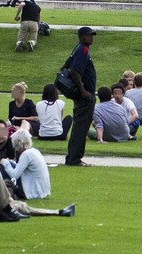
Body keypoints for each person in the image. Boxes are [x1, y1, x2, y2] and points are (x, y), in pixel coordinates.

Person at [64, 26, 97, 167]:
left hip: (82, 94)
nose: (91, 38)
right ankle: (75, 159)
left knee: (79, 126)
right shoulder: (82, 50)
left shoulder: (77, 49)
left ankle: (72, 157)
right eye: (89, 35)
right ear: (82, 37)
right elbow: (75, 72)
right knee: (81, 128)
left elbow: (66, 66)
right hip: (85, 95)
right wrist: (83, 91)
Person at [0, 125, 51, 199]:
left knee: (4, 166)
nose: (16, 149)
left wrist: (5, 163)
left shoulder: (26, 154)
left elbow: (15, 175)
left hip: (32, 191)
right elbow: (19, 167)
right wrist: (9, 162)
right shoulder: (34, 151)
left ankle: (5, 194)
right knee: (9, 163)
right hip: (40, 190)